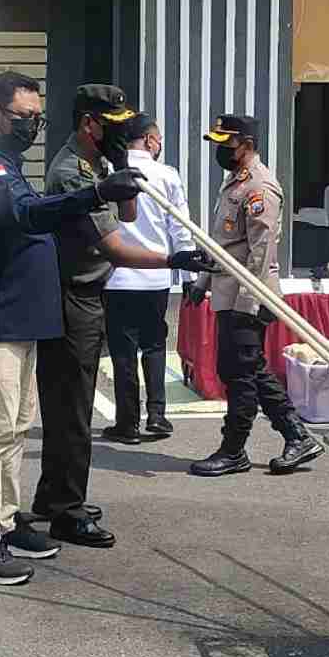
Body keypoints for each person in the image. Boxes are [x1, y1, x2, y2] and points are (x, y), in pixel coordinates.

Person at [0, 71, 144, 585]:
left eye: (37, 117)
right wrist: (94, 192)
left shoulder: (7, 162)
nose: (32, 126)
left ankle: (5, 521)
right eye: (23, 117)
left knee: (15, 429)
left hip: (18, 316)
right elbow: (27, 214)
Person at [35, 86, 217, 547]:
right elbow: (113, 247)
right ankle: (67, 511)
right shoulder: (71, 173)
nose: (120, 133)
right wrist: (173, 260)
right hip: (73, 296)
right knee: (73, 407)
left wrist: (120, 171)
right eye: (111, 125)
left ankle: (53, 496)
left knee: (70, 402)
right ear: (88, 124)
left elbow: (128, 216)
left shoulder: (98, 164)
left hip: (90, 292)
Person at [187, 114, 324, 478]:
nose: (220, 150)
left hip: (249, 295)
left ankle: (233, 450)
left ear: (247, 145)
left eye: (226, 144)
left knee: (240, 375)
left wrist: (248, 301)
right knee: (247, 368)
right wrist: (202, 282)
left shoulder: (260, 187)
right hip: (229, 291)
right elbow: (223, 244)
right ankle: (297, 436)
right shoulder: (235, 181)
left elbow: (261, 252)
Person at [101, 119, 192, 445]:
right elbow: (180, 226)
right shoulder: (167, 175)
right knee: (154, 345)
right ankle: (157, 415)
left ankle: (128, 423)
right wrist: (189, 275)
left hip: (117, 276)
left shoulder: (108, 170)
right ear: (151, 140)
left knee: (123, 352)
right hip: (156, 276)